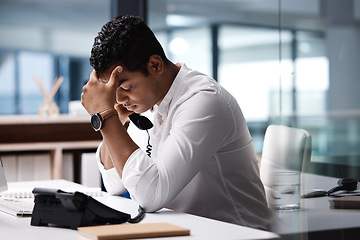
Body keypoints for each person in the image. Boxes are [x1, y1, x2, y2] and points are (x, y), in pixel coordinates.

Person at [81, 15, 272, 230]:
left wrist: (105, 115)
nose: (120, 100)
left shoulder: (204, 101)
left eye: (125, 88)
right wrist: (112, 114)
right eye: (113, 92)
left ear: (155, 65)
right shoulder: (148, 102)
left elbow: (150, 195)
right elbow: (114, 183)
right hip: (183, 230)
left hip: (236, 232)